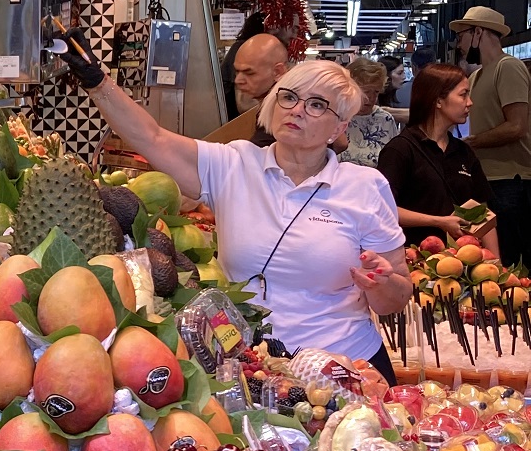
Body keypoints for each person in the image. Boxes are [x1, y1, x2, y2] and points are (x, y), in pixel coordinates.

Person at [51, 25, 411, 380]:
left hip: (345, 367)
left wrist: (380, 281)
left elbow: (395, 298)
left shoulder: (365, 186)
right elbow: (153, 138)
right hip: (252, 366)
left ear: (338, 128)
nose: (297, 110)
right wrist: (96, 80)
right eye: (289, 97)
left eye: (317, 105)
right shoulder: (234, 164)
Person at [377, 64, 499, 254]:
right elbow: (383, 209)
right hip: (414, 262)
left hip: (464, 267)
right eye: (463, 94)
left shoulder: (463, 151)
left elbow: (483, 215)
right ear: (438, 100)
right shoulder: (400, 150)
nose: (470, 102)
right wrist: (438, 222)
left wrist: (495, 266)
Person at [452, 5, 531, 265]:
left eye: (460, 35)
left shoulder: (508, 67)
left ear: (477, 32)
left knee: (514, 261)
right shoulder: (475, 77)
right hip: (488, 180)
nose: (458, 44)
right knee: (494, 260)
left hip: (513, 180)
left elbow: (516, 126)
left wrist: (470, 144)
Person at [206, 31, 290, 143]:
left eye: (249, 73)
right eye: (237, 71)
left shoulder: (284, 113)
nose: (238, 80)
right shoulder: (270, 107)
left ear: (278, 72)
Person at [340, 57, 401, 165]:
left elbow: (394, 161)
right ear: (350, 89)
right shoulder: (337, 117)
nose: (371, 98)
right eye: (365, 91)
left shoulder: (385, 119)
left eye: (376, 92)